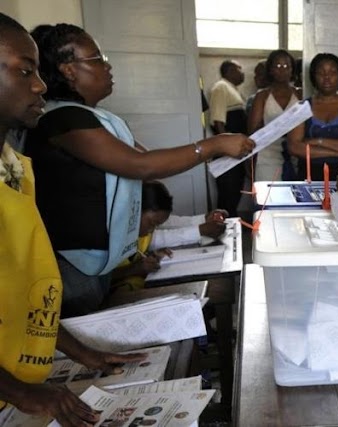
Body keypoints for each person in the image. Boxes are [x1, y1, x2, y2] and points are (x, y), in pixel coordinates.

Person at [23, 24, 254, 318]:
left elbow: (143, 159)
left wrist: (212, 149)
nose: (107, 66)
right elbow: (141, 166)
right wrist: (213, 145)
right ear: (68, 70)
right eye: (97, 59)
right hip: (74, 266)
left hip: (98, 263)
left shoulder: (93, 118)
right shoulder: (62, 119)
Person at [0, 13, 146, 425]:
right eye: (25, 71)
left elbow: (24, 294)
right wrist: (24, 394)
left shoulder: (14, 167)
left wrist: (79, 350)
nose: (40, 85)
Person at [287, 53, 338, 181]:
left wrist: (316, 141)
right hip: (307, 176)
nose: (327, 77)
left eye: (332, 72)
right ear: (313, 77)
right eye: (321, 73)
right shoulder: (301, 108)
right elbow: (294, 147)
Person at [248, 49, 302, 181]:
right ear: (270, 70)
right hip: (268, 155)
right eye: (277, 66)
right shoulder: (262, 96)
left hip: (296, 156)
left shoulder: (300, 94)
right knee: (268, 198)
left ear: (292, 70)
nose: (282, 69)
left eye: (286, 66)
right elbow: (253, 132)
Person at [209, 59, 248, 217]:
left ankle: (232, 226)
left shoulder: (233, 89)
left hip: (236, 151)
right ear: (230, 71)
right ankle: (223, 228)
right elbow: (218, 122)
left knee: (234, 191)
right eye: (240, 69)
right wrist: (226, 150)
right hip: (228, 152)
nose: (243, 73)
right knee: (228, 193)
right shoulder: (221, 87)